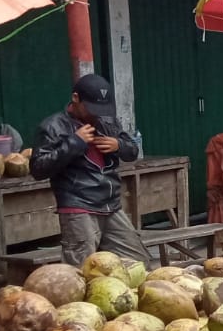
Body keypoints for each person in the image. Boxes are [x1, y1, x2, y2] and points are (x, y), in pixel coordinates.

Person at [30, 74, 149, 267]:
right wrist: (74, 142)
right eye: (92, 108)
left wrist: (118, 145)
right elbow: (38, 168)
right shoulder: (53, 126)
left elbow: (133, 150)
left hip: (110, 204)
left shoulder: (107, 122)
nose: (97, 114)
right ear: (75, 98)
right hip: (78, 205)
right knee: (80, 270)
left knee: (138, 263)